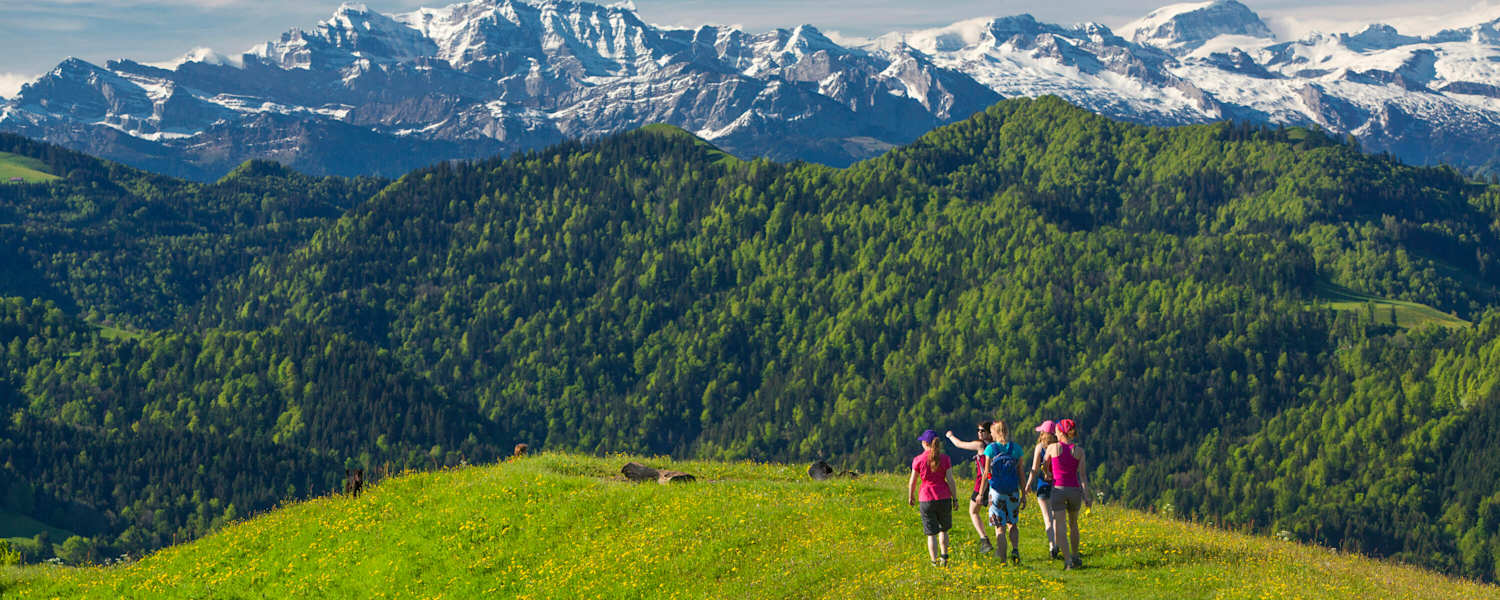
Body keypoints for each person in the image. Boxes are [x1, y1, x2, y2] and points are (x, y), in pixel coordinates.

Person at [1029, 418, 1093, 570]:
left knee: (1060, 526)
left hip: (1058, 490)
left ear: (1060, 432)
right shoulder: (1079, 451)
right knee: (1074, 525)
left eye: (1057, 430)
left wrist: (1048, 474)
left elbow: (1044, 465)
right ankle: (1076, 555)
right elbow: (1083, 476)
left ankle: (1068, 560)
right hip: (1074, 490)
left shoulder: (1053, 448)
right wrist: (1087, 497)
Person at [908, 429, 958, 567]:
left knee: (931, 533)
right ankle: (944, 557)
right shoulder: (945, 459)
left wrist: (911, 496)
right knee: (944, 530)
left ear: (925, 443)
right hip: (944, 496)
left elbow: (912, 481)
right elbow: (950, 480)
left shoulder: (918, 460)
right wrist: (955, 498)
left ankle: (933, 561)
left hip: (926, 497)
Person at [945, 421, 995, 555]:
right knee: (995, 515)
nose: (979, 433)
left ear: (989, 433)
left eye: (982, 431)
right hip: (995, 483)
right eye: (978, 430)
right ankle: (1001, 545)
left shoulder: (981, 445)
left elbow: (960, 444)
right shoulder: (996, 445)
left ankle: (984, 539)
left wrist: (950, 436)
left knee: (973, 511)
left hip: (982, 483)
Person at [981, 421, 1026, 563]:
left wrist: (981, 493)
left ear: (995, 432)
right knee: (1012, 523)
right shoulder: (1016, 449)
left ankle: (1003, 560)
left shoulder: (990, 449)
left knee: (999, 528)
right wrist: (1024, 494)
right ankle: (1015, 550)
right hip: (1013, 492)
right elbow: (1021, 473)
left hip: (996, 492)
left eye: (992, 432)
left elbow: (987, 472)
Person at [1023, 420, 1060, 559]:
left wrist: (1027, 486)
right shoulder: (1059, 447)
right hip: (1057, 485)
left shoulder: (1040, 447)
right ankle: (1058, 544)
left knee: (1047, 518)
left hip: (1042, 485)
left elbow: (1034, 468)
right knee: (1057, 517)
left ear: (1043, 433)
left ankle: (1052, 546)